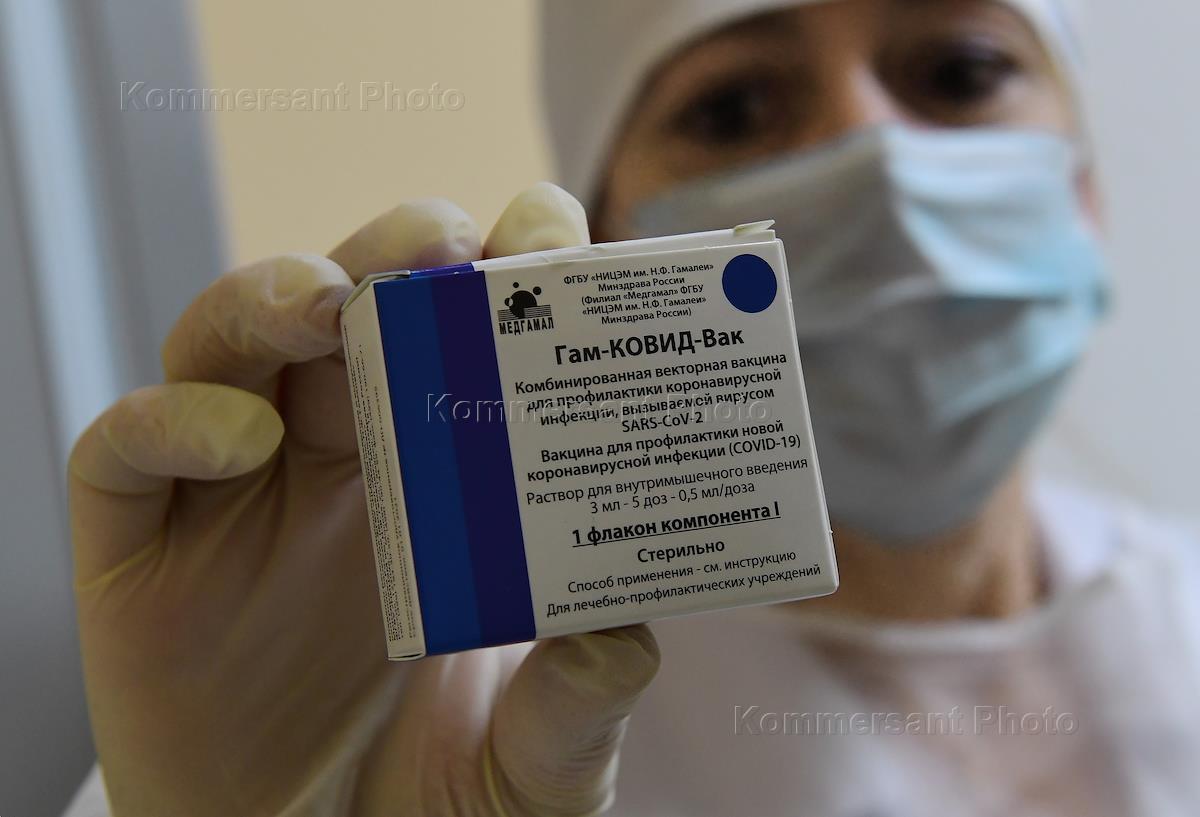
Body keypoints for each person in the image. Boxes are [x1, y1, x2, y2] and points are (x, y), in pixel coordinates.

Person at [64, 0, 1200, 815]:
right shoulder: (467, 713)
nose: (872, 153)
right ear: (602, 248)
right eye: (735, 106)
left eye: (959, 71)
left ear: (1086, 194)